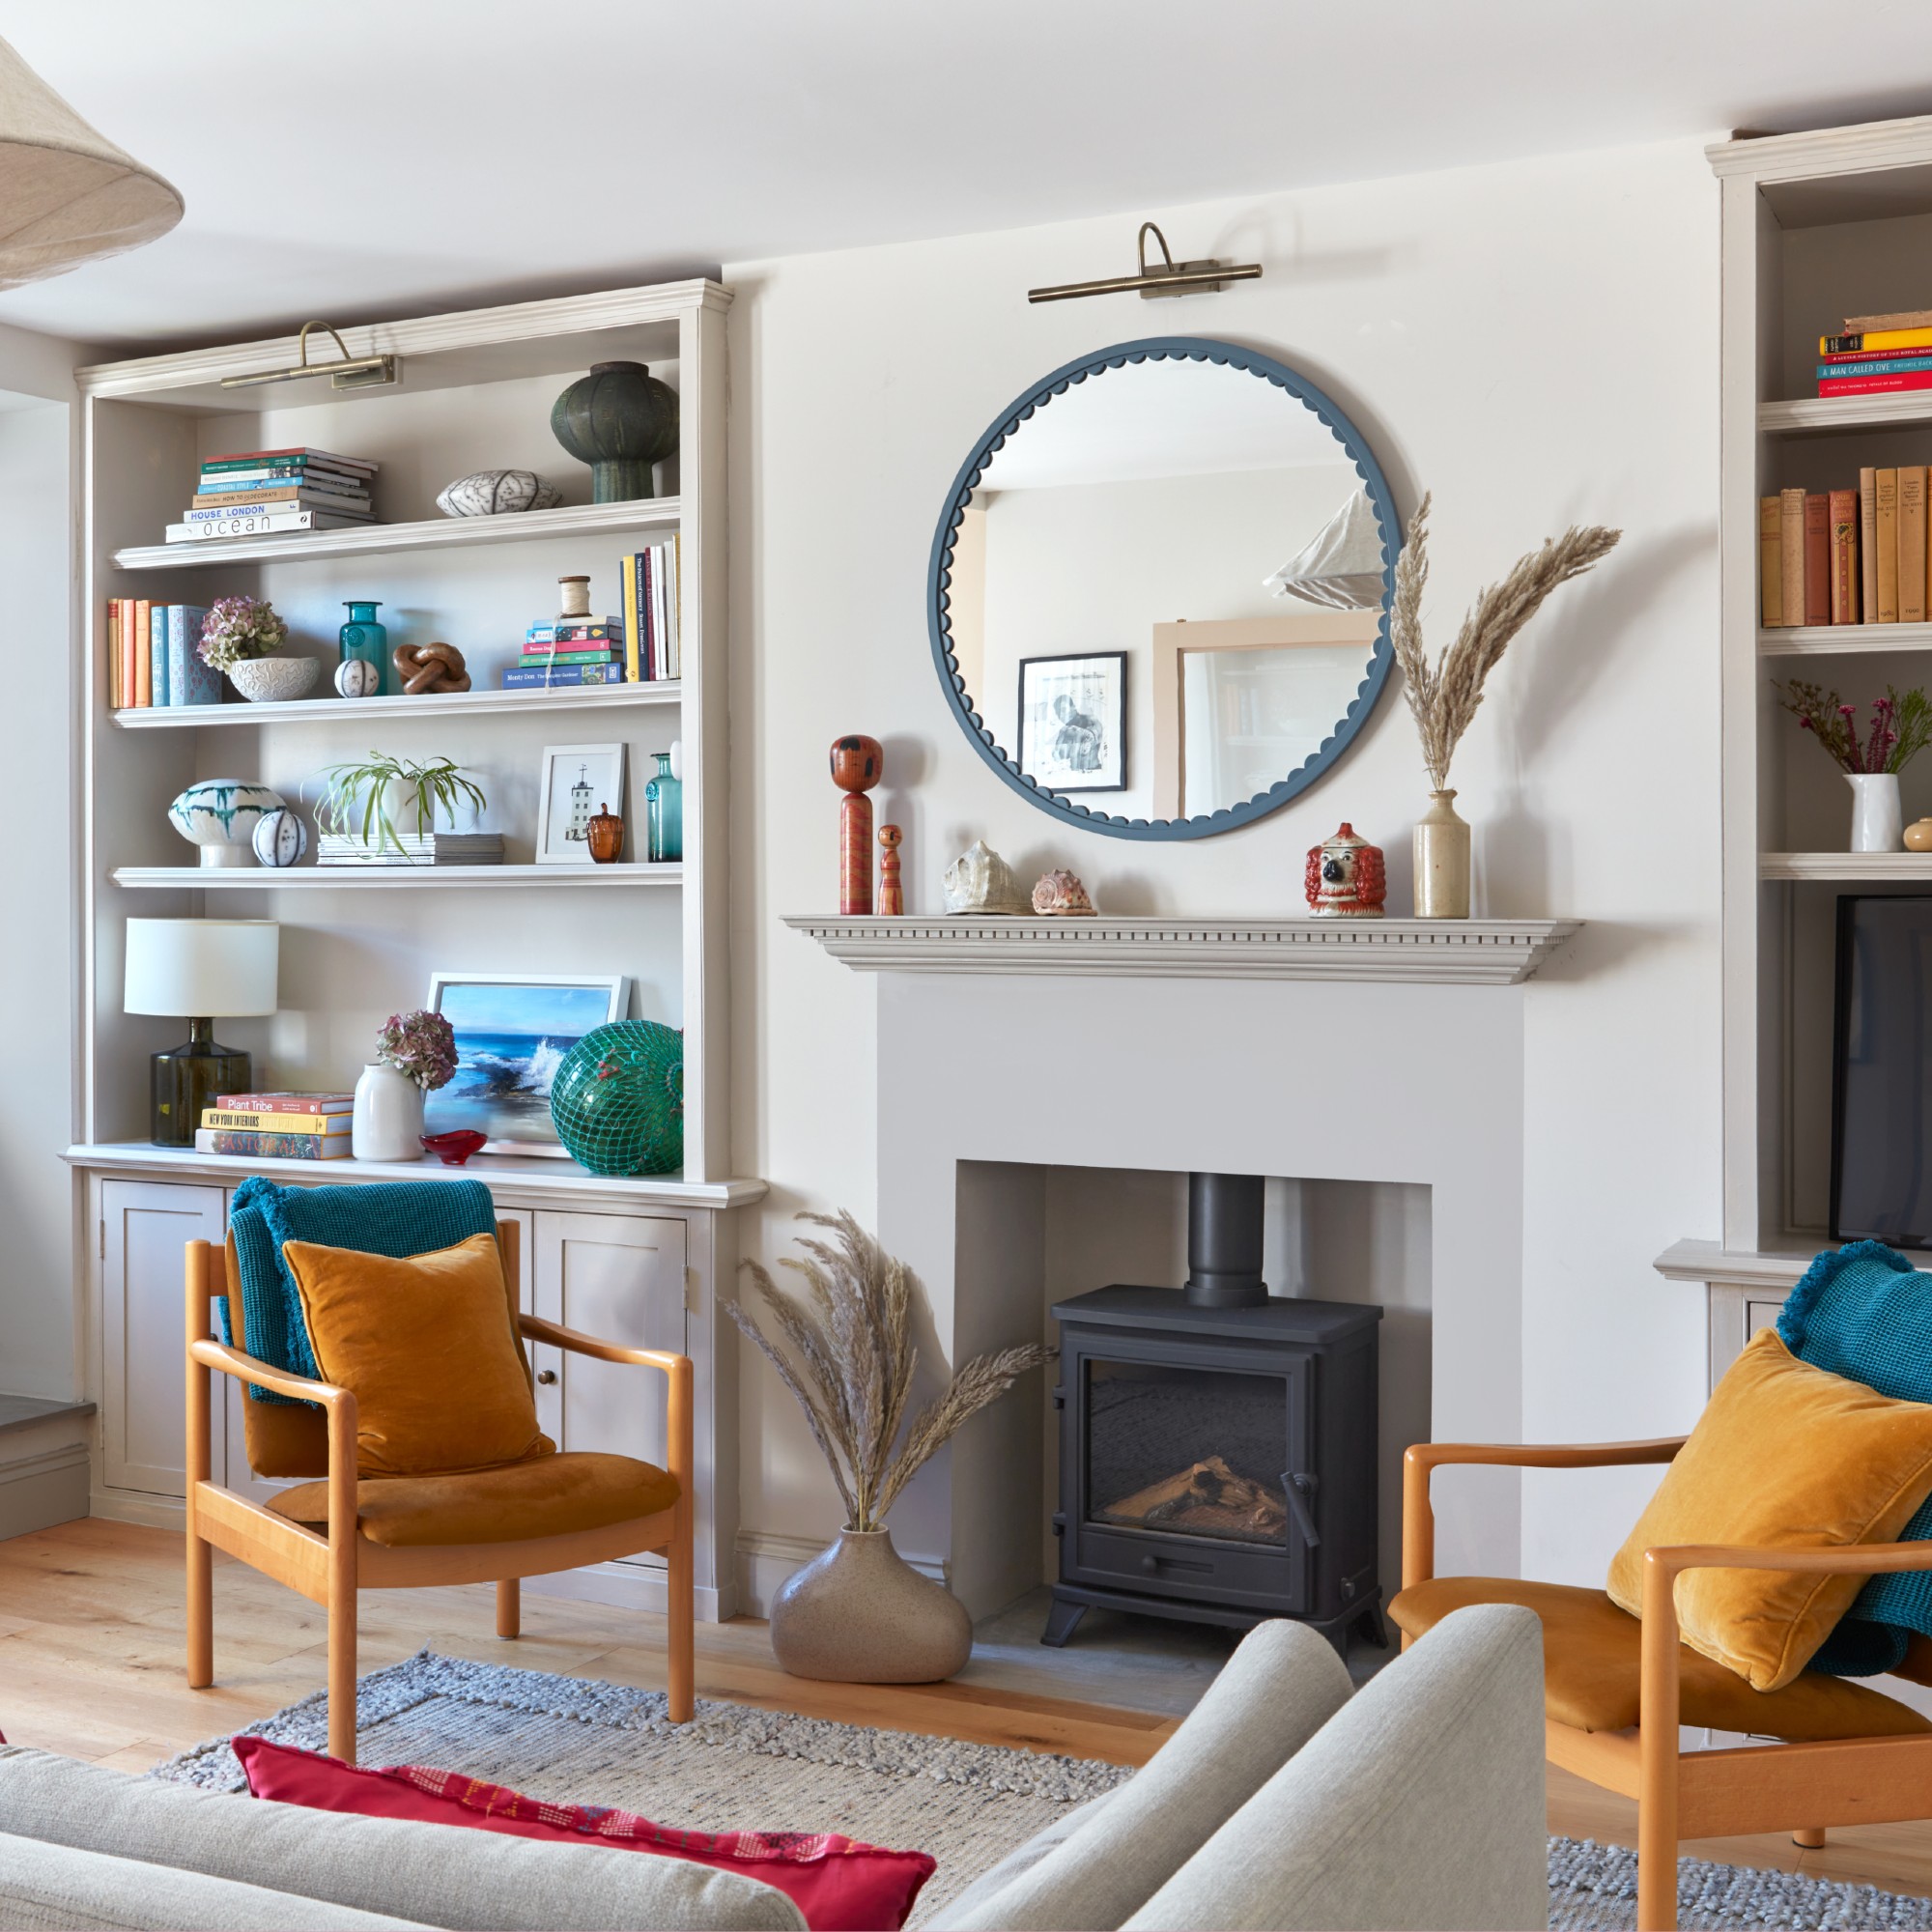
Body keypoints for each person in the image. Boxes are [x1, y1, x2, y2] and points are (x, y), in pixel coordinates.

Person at [1050, 690, 1102, 773]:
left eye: (1063, 710)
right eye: (1058, 713)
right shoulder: (1065, 730)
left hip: (1094, 772)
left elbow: (1091, 737)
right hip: (1076, 776)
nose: (1061, 715)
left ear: (1073, 707)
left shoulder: (1090, 720)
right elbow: (1060, 755)